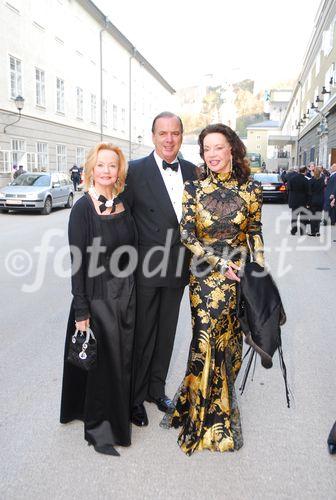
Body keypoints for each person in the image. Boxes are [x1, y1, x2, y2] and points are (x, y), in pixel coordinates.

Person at [160, 123, 264, 455]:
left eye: (219, 147)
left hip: (238, 276)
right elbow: (186, 235)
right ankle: (203, 417)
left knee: (230, 341)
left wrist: (258, 269)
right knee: (205, 338)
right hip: (205, 275)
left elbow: (255, 232)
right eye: (207, 149)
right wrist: (220, 264)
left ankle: (217, 401)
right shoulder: (194, 188)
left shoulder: (251, 189)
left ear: (232, 149)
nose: (213, 154)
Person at [60, 143, 137, 456]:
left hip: (126, 294)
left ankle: (118, 412)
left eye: (113, 165)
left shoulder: (122, 203)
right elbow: (77, 262)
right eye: (101, 165)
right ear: (91, 169)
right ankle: (102, 425)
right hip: (98, 296)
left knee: (123, 358)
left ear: (119, 171)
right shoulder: (82, 208)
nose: (107, 171)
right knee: (105, 363)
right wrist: (82, 309)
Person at [122, 111, 197, 427]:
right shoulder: (134, 171)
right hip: (145, 269)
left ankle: (156, 389)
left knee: (166, 333)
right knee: (143, 334)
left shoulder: (194, 171)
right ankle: (134, 398)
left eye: (175, 133)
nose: (169, 139)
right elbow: (121, 220)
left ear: (181, 136)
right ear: (153, 136)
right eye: (163, 133)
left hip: (179, 268)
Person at [287, 166, 310, 235]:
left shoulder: (292, 179)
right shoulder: (306, 180)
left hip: (294, 201)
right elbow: (308, 192)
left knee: (294, 217)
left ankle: (293, 231)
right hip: (303, 201)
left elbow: (289, 188)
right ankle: (302, 231)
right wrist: (308, 202)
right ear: (305, 171)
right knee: (303, 217)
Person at [307, 166, 324, 236]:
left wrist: (308, 203)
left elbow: (309, 193)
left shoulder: (311, 181)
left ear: (314, 172)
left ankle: (313, 232)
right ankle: (317, 231)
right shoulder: (322, 180)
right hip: (320, 200)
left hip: (313, 200)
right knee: (318, 216)